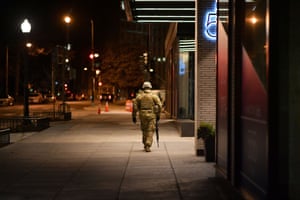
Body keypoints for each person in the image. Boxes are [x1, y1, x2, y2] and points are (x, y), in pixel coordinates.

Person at [132, 81, 162, 152]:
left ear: (143, 88)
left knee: (144, 129)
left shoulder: (139, 96)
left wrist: (134, 116)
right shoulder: (154, 96)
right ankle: (148, 144)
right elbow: (159, 106)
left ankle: (145, 143)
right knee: (150, 130)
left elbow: (135, 107)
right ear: (150, 87)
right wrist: (158, 115)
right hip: (152, 115)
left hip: (142, 114)